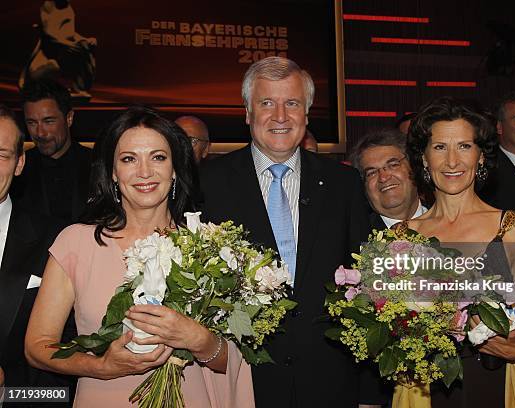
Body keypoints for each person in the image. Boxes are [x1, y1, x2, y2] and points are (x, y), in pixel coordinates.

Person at [24, 106, 254, 408]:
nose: (144, 172)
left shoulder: (211, 248)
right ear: (113, 173)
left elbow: (235, 359)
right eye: (129, 159)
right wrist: (101, 366)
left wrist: (200, 340)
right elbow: (37, 347)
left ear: (174, 169)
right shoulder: (75, 243)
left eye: (158, 157)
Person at [200, 57, 386, 407]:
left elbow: (367, 286)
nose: (280, 116)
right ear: (248, 113)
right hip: (243, 383)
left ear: (307, 113)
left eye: (292, 103)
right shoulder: (208, 184)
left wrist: (369, 394)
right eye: (267, 103)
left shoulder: (344, 184)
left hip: (330, 383)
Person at [398, 97, 515, 407]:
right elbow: (388, 332)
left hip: (496, 386)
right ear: (423, 159)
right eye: (439, 148)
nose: (452, 162)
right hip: (424, 391)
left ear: (480, 156)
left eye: (464, 146)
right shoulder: (400, 237)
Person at [0, 105, 75, 408]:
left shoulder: (56, 239)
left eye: (0, 155)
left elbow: (62, 386)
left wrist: (9, 393)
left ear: (19, 163)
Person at [11, 78, 92, 225]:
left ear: (69, 118)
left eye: (49, 121)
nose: (40, 133)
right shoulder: (17, 170)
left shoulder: (97, 164)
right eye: (32, 123)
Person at [351, 127, 426, 230]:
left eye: (393, 165)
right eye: (372, 173)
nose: (383, 177)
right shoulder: (354, 237)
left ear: (413, 167)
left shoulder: (452, 225)